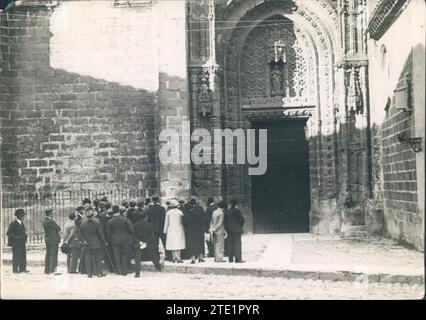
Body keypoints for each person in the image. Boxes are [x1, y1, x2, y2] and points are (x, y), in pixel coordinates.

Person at [79, 208, 108, 278]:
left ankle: (89, 274)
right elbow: (100, 234)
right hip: (96, 243)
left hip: (87, 243)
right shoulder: (97, 221)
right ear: (92, 215)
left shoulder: (82, 222)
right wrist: (104, 242)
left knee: (88, 259)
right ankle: (99, 273)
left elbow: (80, 234)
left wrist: (83, 241)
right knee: (98, 258)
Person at [133, 212, 163, 277]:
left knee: (137, 258)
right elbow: (152, 235)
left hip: (139, 244)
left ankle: (137, 273)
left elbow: (134, 235)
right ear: (146, 217)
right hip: (148, 243)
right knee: (153, 255)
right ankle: (158, 267)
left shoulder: (135, 225)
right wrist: (146, 242)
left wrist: (139, 242)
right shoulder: (150, 225)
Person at [107, 205, 133, 276]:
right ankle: (124, 271)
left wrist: (110, 240)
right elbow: (130, 230)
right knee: (124, 255)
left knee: (116, 255)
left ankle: (118, 270)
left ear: (113, 211)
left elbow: (108, 233)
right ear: (119, 211)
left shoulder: (110, 221)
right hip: (125, 239)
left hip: (114, 240)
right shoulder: (125, 220)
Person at [183, 197, 206, 263]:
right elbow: (203, 219)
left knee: (191, 243)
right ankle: (200, 257)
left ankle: (193, 258)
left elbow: (185, 220)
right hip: (199, 228)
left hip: (190, 229)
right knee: (200, 242)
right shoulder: (200, 209)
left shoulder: (187, 210)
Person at [7, 209, 29, 273]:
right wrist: (16, 237)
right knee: (16, 256)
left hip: (22, 242)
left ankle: (22, 269)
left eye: (23, 215)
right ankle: (15, 270)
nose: (23, 217)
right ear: (18, 216)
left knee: (23, 255)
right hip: (16, 243)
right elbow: (9, 233)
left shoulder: (21, 223)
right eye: (22, 215)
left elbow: (22, 232)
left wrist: (25, 236)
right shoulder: (13, 223)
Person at [147, 195, 168, 260]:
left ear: (153, 201)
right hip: (161, 227)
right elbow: (163, 218)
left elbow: (149, 219)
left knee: (155, 243)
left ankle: (156, 256)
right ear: (158, 200)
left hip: (153, 228)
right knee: (164, 242)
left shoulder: (150, 209)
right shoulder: (162, 208)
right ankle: (167, 255)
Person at [224, 197, 245, 263]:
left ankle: (230, 259)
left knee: (230, 244)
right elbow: (242, 220)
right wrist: (240, 226)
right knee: (237, 244)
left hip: (229, 230)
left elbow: (225, 221)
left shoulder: (227, 211)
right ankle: (238, 259)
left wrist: (227, 228)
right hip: (237, 230)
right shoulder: (237, 211)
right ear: (236, 204)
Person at [43, 209, 61, 274]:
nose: (53, 215)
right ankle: (52, 270)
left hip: (48, 239)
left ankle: (47, 270)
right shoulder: (51, 221)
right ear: (50, 214)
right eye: (52, 214)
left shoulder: (44, 221)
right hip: (53, 239)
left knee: (48, 254)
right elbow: (58, 228)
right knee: (53, 254)